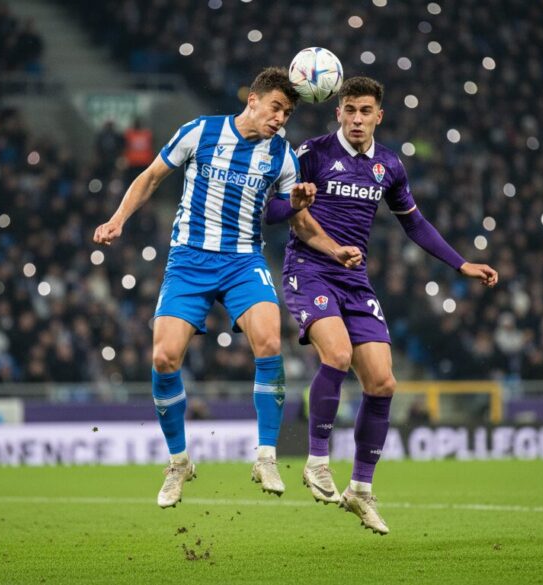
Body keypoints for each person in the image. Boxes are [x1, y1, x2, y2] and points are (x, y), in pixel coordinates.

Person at [92, 67, 361, 508]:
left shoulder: (283, 156)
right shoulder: (201, 131)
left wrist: (332, 247)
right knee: (163, 356)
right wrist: (117, 219)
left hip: (243, 261)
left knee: (270, 339)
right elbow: (152, 177)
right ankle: (179, 462)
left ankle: (266, 456)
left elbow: (293, 219)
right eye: (276, 107)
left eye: (288, 113)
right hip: (190, 260)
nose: (280, 119)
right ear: (252, 101)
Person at [266, 76, 499, 534]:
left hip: (354, 279)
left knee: (384, 383)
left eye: (365, 111)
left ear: (379, 116)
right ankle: (316, 461)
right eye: (349, 110)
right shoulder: (311, 155)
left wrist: (460, 264)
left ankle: (361, 489)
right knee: (336, 354)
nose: (356, 119)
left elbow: (415, 225)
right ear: (338, 113)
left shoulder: (389, 166)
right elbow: (272, 212)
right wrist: (293, 202)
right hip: (308, 270)